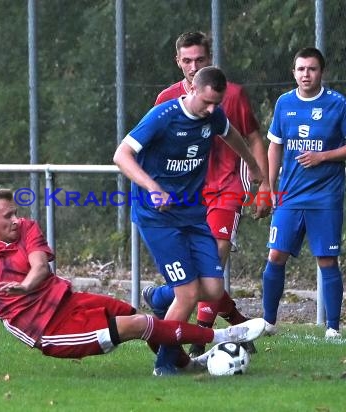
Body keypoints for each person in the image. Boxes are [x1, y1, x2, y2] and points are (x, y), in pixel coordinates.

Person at [0, 188, 265, 378]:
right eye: (8, 216)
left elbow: (39, 267)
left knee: (133, 315)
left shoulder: (27, 228)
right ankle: (225, 335)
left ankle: (185, 366)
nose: (16, 219)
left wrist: (28, 285)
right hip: (44, 328)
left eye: (16, 212)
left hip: (68, 300)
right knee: (141, 323)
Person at [113, 66, 265, 375]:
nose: (211, 109)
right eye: (206, 102)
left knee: (211, 288)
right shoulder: (163, 116)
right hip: (157, 216)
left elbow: (231, 134)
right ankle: (165, 365)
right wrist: (154, 188)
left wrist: (252, 165)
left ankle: (159, 296)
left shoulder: (214, 117)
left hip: (192, 213)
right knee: (188, 294)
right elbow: (121, 155)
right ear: (192, 90)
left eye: (216, 104)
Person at [150, 31, 271, 358]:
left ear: (210, 59)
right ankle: (231, 318)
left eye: (199, 60)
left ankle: (201, 339)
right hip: (187, 197)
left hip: (226, 188)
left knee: (213, 260)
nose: (193, 66)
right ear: (178, 61)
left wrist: (265, 185)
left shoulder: (231, 95)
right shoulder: (166, 100)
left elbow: (253, 137)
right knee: (200, 277)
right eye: (186, 60)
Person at [262, 47, 346, 339]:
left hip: (325, 198)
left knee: (326, 260)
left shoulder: (337, 104)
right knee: (275, 255)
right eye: (301, 69)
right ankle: (268, 322)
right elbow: (274, 145)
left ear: (322, 72)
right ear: (293, 72)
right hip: (290, 196)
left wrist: (324, 156)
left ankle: (333, 327)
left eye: (312, 69)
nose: (306, 74)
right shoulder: (284, 103)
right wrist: (270, 187)